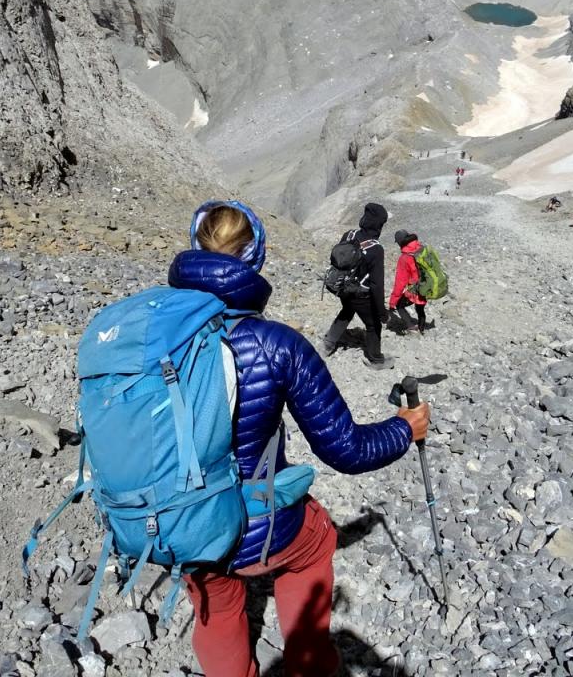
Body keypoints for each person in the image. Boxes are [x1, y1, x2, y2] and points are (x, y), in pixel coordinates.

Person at [170, 201, 430, 677]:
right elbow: (345, 449)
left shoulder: (154, 335)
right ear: (255, 257)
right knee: (315, 543)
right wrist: (404, 428)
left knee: (218, 601)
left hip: (178, 517)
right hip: (260, 516)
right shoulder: (277, 343)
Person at [322, 203, 390, 369]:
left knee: (347, 310)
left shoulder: (349, 235)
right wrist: (381, 312)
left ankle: (328, 344)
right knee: (373, 325)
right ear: (379, 225)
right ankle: (376, 359)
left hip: (341, 288)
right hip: (361, 295)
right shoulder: (376, 249)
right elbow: (376, 284)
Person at [388, 230, 428, 335]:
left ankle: (411, 327)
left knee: (399, 305)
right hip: (426, 285)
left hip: (415, 289)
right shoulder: (421, 248)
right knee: (420, 308)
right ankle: (422, 329)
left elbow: (400, 282)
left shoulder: (405, 258)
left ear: (400, 242)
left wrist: (392, 301)